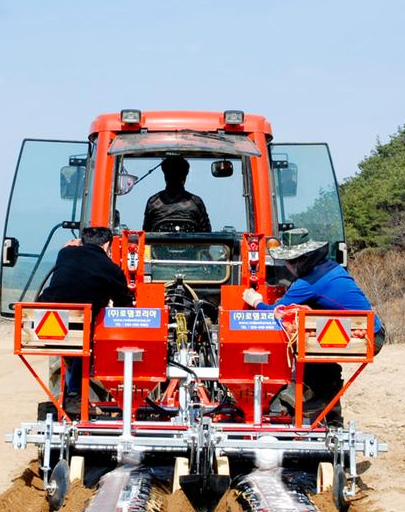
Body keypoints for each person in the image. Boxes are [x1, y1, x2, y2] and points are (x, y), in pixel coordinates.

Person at [242, 229, 385, 420]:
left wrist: (255, 301)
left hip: (365, 337)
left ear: (298, 261)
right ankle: (329, 415)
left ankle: (304, 404)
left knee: (304, 346)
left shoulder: (309, 283)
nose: (287, 265)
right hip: (372, 331)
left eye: (288, 261)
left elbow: (274, 314)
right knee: (313, 349)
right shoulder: (330, 267)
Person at [38, 226, 133, 406]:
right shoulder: (111, 269)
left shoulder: (65, 254)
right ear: (107, 245)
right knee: (87, 340)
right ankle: (74, 392)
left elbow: (67, 251)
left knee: (79, 336)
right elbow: (123, 303)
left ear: (82, 242)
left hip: (45, 320)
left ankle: (67, 392)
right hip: (79, 328)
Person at [142, 155, 212, 232]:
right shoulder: (196, 202)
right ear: (184, 178)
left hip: (160, 244)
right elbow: (207, 233)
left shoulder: (153, 202)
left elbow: (146, 235)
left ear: (165, 177)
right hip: (191, 244)